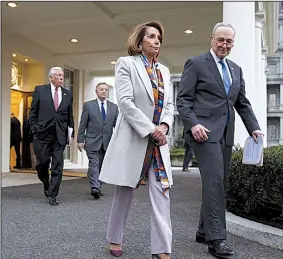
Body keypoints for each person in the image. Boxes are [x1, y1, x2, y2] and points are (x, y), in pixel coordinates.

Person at [177, 22, 264, 259]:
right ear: (211, 39)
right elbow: (183, 100)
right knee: (215, 181)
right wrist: (193, 124)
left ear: (233, 44)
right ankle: (217, 240)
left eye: (228, 41)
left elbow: (242, 103)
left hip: (225, 134)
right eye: (220, 40)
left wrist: (254, 128)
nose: (224, 44)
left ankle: (203, 230)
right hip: (202, 132)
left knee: (219, 182)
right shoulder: (196, 63)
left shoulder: (236, 69)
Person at [99, 20, 174, 259]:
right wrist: (150, 128)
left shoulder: (164, 70)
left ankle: (162, 248)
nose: (156, 41)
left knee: (161, 192)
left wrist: (164, 126)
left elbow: (169, 105)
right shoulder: (126, 64)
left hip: (158, 143)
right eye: (151, 36)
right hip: (135, 137)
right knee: (125, 190)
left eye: (159, 38)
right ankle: (114, 238)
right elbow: (125, 103)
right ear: (139, 42)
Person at [29, 67, 74, 206]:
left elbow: (69, 115)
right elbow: (33, 112)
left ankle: (53, 194)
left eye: (62, 75)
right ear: (51, 77)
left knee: (58, 166)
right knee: (42, 164)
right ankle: (46, 183)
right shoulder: (40, 90)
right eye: (58, 75)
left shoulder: (67, 94)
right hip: (42, 134)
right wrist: (35, 129)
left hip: (59, 135)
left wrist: (71, 133)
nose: (61, 77)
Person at [77, 82, 119, 199]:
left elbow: (117, 126)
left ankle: (98, 186)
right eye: (101, 89)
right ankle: (94, 187)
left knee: (102, 166)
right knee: (94, 164)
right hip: (91, 141)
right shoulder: (88, 105)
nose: (104, 91)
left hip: (107, 142)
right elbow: (83, 123)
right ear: (96, 92)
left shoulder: (113, 107)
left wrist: (119, 141)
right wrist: (80, 139)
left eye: (106, 89)